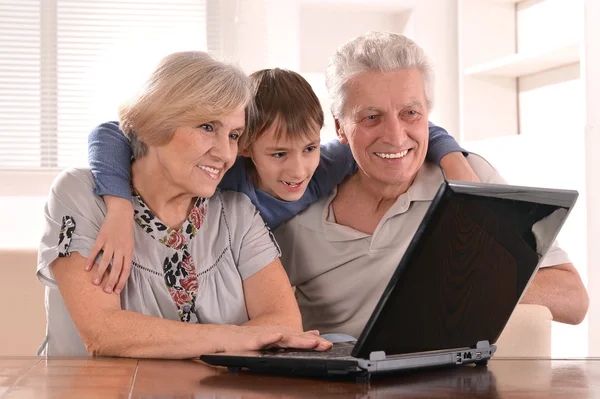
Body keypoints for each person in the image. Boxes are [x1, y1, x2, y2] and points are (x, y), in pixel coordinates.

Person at [274, 32, 589, 339]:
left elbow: (573, 299)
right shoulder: (294, 201)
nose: (396, 137)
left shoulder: (469, 176)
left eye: (410, 113)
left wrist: (464, 283)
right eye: (371, 117)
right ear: (340, 127)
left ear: (427, 116)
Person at [36, 51, 333, 357]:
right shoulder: (80, 194)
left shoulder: (237, 212)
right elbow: (104, 331)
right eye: (207, 127)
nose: (225, 154)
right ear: (155, 122)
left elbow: (284, 322)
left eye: (233, 135)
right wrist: (244, 338)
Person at [86, 68, 477, 294]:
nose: (297, 171)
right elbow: (110, 131)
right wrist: (118, 208)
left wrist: (458, 167)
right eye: (278, 155)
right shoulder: (224, 172)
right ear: (245, 147)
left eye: (307, 147)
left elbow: (411, 129)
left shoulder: (324, 165)